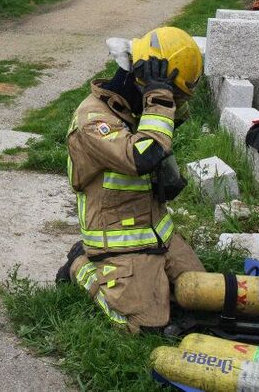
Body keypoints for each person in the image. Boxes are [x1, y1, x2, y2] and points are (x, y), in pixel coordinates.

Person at [56, 27, 205, 333]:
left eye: (175, 96)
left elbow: (176, 118)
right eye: (171, 96)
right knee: (145, 325)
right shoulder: (94, 121)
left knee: (199, 296)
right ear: (141, 83)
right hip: (117, 241)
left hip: (157, 235)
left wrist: (160, 89)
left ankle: (152, 277)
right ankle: (80, 266)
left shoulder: (136, 107)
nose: (172, 103)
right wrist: (158, 95)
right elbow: (143, 156)